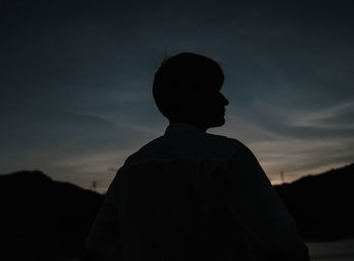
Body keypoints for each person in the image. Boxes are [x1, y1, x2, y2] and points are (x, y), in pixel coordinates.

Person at [86, 52, 309, 261]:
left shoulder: (131, 167)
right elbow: (282, 243)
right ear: (194, 95)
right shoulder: (229, 155)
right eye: (216, 91)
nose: (225, 100)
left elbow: (100, 249)